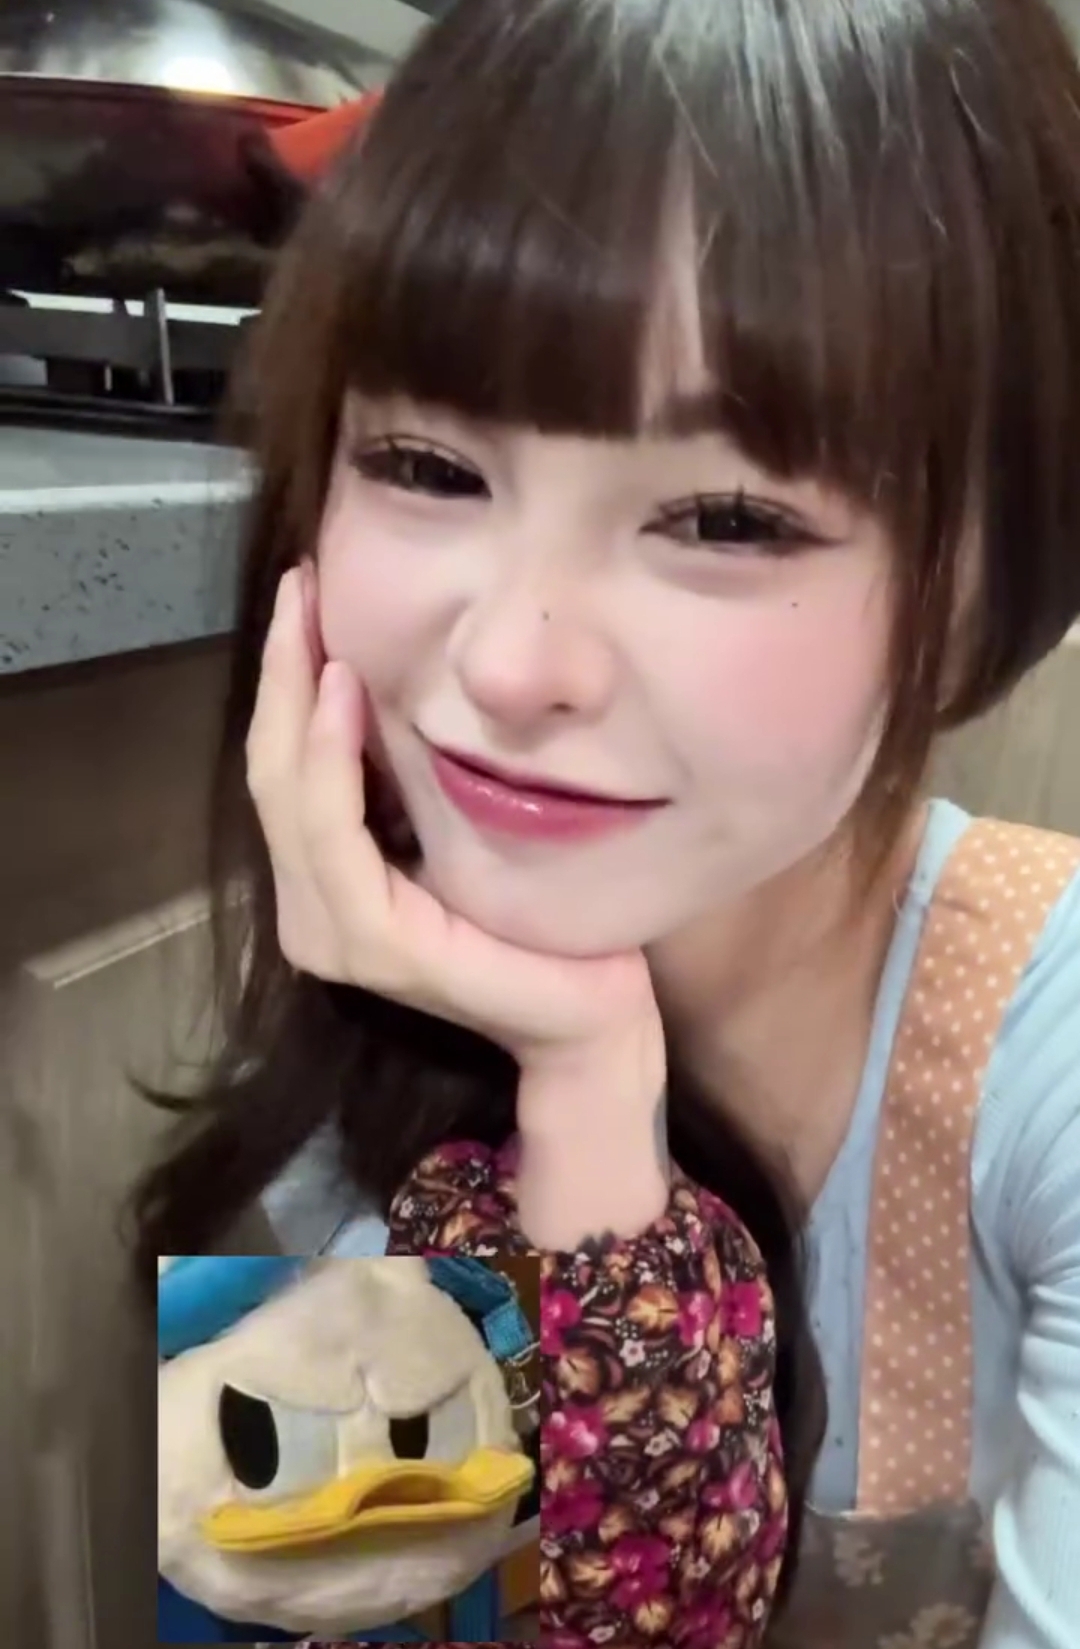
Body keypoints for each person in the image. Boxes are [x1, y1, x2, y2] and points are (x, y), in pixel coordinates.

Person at [130, 0, 1080, 1644]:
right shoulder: (370, 1020)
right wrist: (583, 1102)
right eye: (428, 466)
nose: (512, 663)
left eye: (725, 517)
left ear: (999, 580)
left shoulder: (1048, 1068)